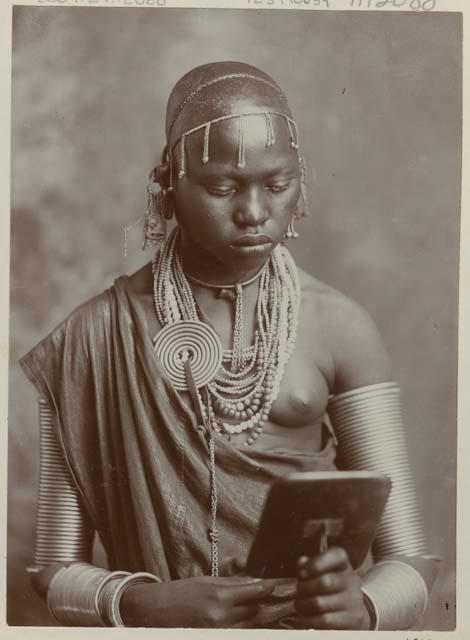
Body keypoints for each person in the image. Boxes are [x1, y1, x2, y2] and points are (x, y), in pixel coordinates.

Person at [20, 61, 439, 629]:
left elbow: (410, 557)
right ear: (167, 185)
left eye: (278, 184)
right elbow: (52, 569)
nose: (254, 213)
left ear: (301, 180)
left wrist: (364, 606)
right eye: (222, 187)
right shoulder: (92, 337)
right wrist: (142, 601)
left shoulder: (341, 327)